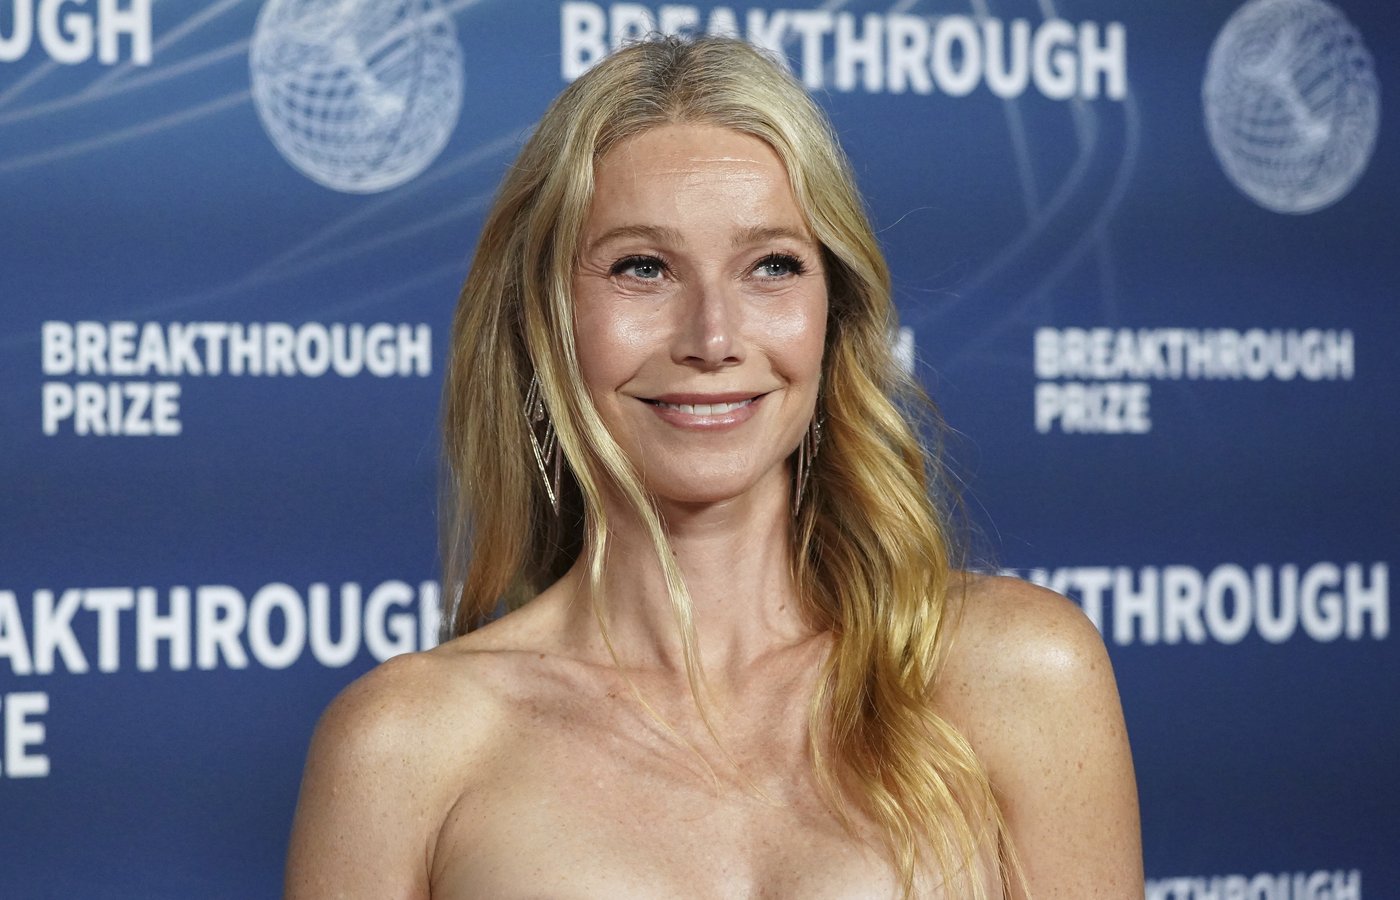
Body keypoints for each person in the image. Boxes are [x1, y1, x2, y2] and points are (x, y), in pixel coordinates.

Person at [284, 35, 1141, 899]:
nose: (714, 338)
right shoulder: (406, 748)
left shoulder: (1019, 674)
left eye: (771, 266)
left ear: (833, 318)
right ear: (542, 322)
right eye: (643, 268)